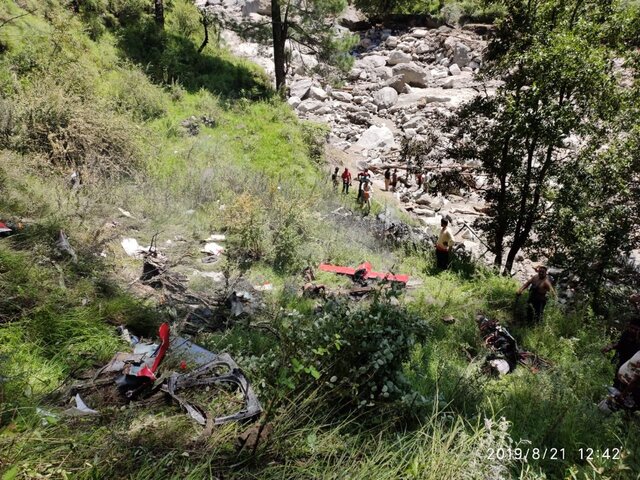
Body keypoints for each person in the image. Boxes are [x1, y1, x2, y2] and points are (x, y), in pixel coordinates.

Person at [603, 293, 640, 388]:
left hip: (633, 365)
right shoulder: (626, 334)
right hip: (623, 360)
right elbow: (621, 344)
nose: (633, 331)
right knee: (617, 379)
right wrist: (610, 347)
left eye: (636, 330)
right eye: (632, 328)